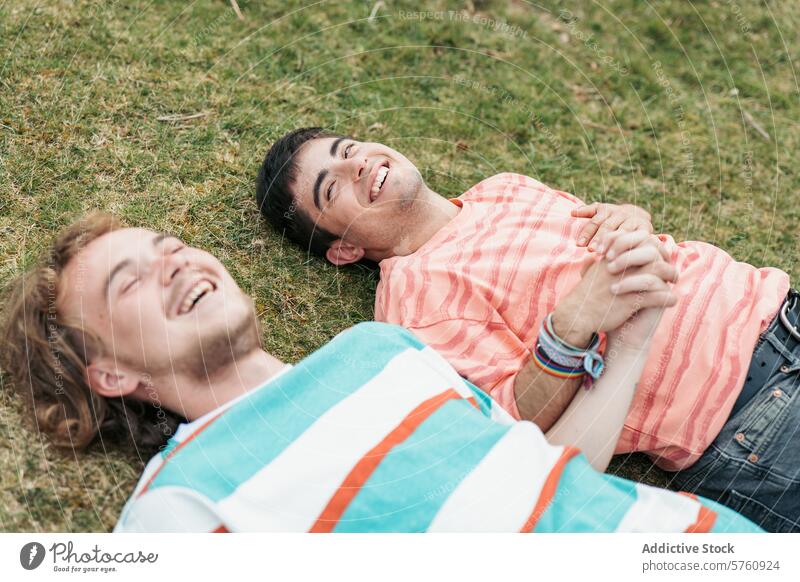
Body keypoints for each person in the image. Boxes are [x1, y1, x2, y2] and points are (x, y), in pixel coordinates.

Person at [0, 214, 758, 532]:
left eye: (169, 245)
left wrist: (629, 348)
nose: (175, 265)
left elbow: (560, 472)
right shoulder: (182, 502)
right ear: (107, 375)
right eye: (129, 282)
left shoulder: (382, 348)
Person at [256, 127, 800, 532]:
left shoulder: (503, 188)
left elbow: (604, 237)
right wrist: (574, 321)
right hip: (753, 420)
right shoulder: (412, 301)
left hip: (779, 306)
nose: (356, 166)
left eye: (348, 149)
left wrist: (630, 219)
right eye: (333, 189)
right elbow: (521, 425)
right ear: (345, 249)